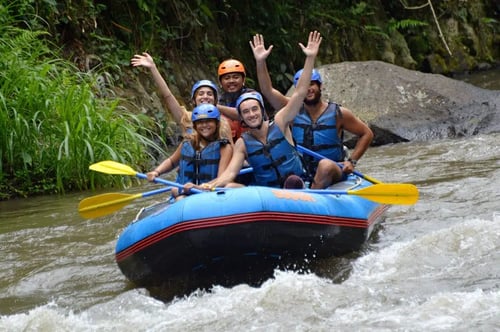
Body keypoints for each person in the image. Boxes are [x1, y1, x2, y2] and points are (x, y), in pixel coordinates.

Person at [198, 31, 322, 190]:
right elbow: (229, 174)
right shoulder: (243, 143)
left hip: (297, 188)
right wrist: (207, 185)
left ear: (262, 110)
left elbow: (300, 92)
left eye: (254, 109)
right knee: (229, 186)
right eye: (246, 112)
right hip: (267, 195)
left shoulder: (280, 122)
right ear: (241, 117)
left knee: (293, 182)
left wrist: (310, 57)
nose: (251, 114)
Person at [250, 34, 374, 188]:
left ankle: (314, 197)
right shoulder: (292, 111)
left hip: (334, 170)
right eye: (305, 85)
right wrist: (260, 61)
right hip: (303, 171)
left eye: (312, 84)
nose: (309, 89)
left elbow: (367, 133)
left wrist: (352, 161)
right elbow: (267, 90)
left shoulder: (338, 113)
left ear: (320, 86)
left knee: (325, 166)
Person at [130, 52, 232, 140]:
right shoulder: (186, 118)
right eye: (201, 94)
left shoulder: (223, 124)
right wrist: (153, 68)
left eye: (209, 94)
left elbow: (230, 150)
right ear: (194, 100)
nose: (205, 96)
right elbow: (167, 95)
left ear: (215, 101)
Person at [146, 103, 232, 199]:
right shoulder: (187, 143)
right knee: (177, 194)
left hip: (210, 193)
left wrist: (198, 187)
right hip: (185, 192)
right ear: (195, 126)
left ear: (217, 123)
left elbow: (221, 179)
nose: (204, 125)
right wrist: (156, 172)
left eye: (208, 121)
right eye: (200, 122)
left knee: (178, 194)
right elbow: (171, 162)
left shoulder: (224, 147)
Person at [216, 59, 255, 142]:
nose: (231, 81)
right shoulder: (220, 100)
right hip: (230, 143)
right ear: (220, 82)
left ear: (243, 80)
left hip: (253, 138)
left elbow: (243, 114)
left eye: (236, 77)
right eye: (227, 78)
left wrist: (217, 107)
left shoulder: (252, 95)